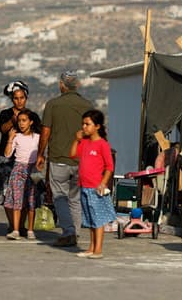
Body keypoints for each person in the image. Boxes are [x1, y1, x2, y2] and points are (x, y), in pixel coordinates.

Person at [36, 70, 93, 247]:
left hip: (59, 158)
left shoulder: (53, 105)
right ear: (77, 85)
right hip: (80, 159)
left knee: (60, 196)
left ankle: (68, 231)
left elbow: (45, 132)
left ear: (62, 85)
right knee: (75, 199)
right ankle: (75, 233)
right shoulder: (87, 105)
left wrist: (40, 154)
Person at [71, 110, 114, 259]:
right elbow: (72, 154)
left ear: (97, 126)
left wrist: (103, 183)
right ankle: (91, 247)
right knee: (89, 219)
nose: (84, 127)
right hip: (84, 185)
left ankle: (98, 250)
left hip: (95, 187)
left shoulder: (102, 144)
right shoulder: (84, 142)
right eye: (83, 124)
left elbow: (109, 167)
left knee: (98, 219)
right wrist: (76, 140)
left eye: (87, 124)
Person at [0, 80, 29, 233]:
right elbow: (3, 129)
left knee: (24, 192)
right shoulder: (5, 114)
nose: (19, 101)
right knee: (6, 191)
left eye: (22, 98)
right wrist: (13, 120)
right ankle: (12, 224)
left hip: (25, 158)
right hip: (7, 157)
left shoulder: (31, 115)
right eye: (16, 98)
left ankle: (21, 225)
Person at [3, 109, 41, 240]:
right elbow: (7, 154)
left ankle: (30, 229)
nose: (21, 124)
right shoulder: (17, 137)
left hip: (32, 170)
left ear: (31, 122)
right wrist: (10, 139)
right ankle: (16, 229)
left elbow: (42, 155)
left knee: (31, 200)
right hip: (18, 169)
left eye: (24, 120)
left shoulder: (37, 137)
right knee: (17, 200)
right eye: (19, 121)